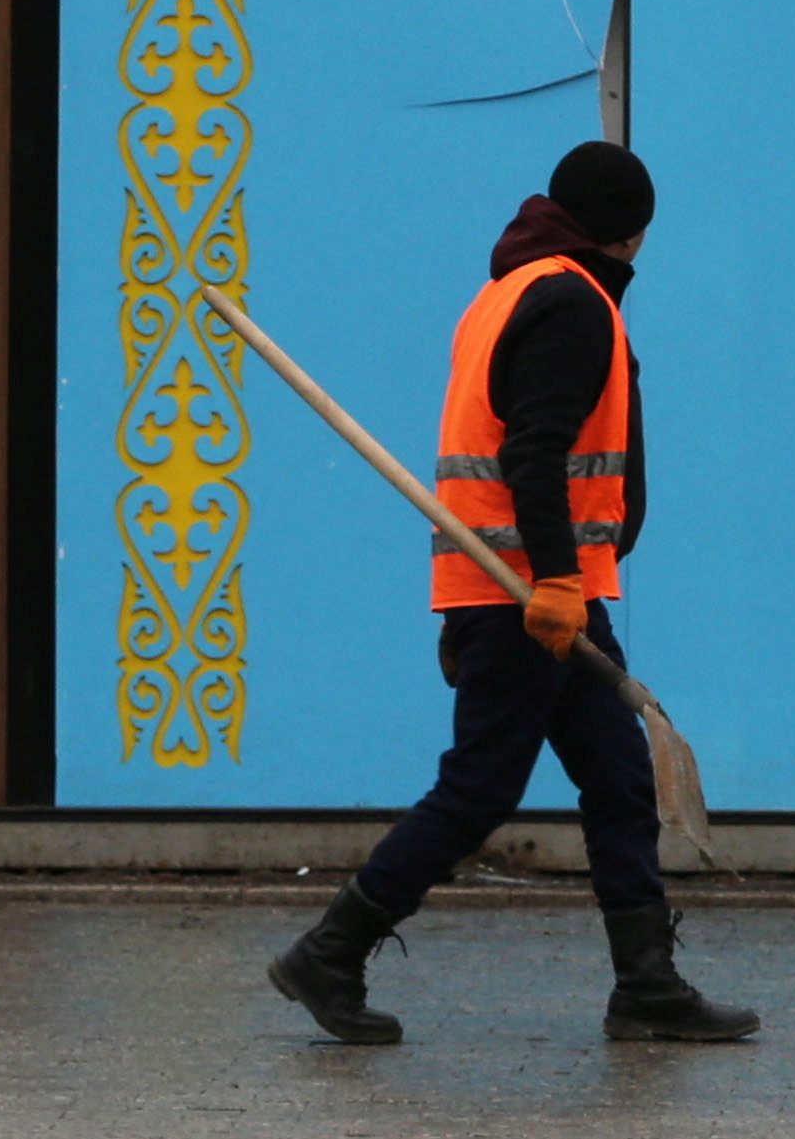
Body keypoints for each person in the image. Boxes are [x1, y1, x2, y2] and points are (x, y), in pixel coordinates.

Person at [267, 141, 756, 1048]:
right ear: (631, 231)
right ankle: (329, 951)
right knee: (479, 787)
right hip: (533, 594)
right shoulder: (569, 301)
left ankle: (646, 985)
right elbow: (530, 452)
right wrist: (559, 580)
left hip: (529, 591)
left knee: (616, 779)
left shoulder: (507, 291)